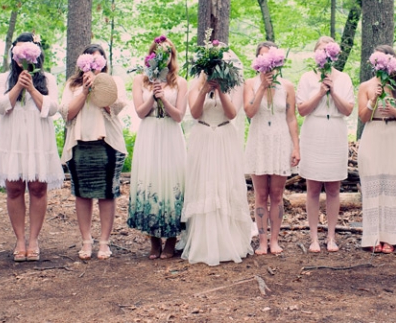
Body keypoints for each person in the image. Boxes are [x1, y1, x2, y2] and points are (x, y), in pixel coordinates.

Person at [0, 33, 64, 262]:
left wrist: (32, 89)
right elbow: (1, 106)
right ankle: (19, 240)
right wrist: (17, 87)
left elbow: (52, 109)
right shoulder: (4, 78)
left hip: (37, 139)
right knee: (13, 188)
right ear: (14, 55)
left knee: (37, 188)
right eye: (19, 52)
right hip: (12, 139)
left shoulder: (47, 79)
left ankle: (33, 240)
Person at [60, 44, 128, 260]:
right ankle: (86, 241)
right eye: (91, 60)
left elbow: (115, 109)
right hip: (80, 144)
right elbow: (67, 113)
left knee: (107, 194)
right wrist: (85, 90)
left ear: (105, 62)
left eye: (99, 61)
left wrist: (98, 85)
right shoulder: (73, 84)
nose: (95, 64)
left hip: (107, 143)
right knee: (82, 194)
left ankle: (105, 242)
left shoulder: (114, 81)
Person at [181, 70, 253, 266]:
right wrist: (204, 90)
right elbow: (195, 113)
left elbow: (231, 114)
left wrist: (221, 90)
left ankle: (228, 242)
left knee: (225, 185)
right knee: (203, 186)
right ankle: (202, 243)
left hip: (224, 138)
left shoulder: (234, 85)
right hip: (203, 136)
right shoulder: (196, 84)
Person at [127, 36, 188, 259]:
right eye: (159, 54)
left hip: (171, 133)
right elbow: (140, 112)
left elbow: (180, 116)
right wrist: (153, 96)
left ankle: (172, 240)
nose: (164, 58)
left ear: (172, 57)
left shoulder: (179, 82)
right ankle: (154, 240)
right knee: (151, 180)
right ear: (151, 56)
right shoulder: (140, 80)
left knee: (172, 181)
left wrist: (166, 99)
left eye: (168, 54)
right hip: (149, 132)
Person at [297, 36, 355, 253]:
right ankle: (313, 237)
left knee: (333, 187)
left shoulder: (344, 78)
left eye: (329, 51)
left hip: (335, 132)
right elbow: (301, 110)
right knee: (312, 187)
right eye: (321, 50)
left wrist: (333, 91)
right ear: (316, 54)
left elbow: (348, 109)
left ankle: (331, 236)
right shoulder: (306, 77)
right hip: (314, 130)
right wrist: (320, 92)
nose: (325, 55)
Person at [243, 41, 300, 255]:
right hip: (259, 140)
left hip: (280, 140)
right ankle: (262, 241)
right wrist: (262, 87)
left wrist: (296, 147)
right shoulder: (250, 83)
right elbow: (249, 112)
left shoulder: (287, 86)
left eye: (270, 56)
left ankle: (275, 240)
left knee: (276, 194)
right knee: (260, 194)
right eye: (263, 56)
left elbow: (291, 118)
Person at [357, 45, 396, 254]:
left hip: (395, 135)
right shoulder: (366, 86)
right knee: (373, 184)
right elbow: (362, 117)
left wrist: (394, 111)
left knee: (393, 187)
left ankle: (391, 237)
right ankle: (372, 236)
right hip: (373, 134)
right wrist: (372, 102)